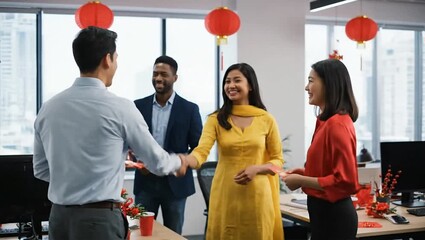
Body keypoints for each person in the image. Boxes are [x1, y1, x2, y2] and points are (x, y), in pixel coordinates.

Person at [33, 26, 188, 240]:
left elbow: (40, 169)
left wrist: (73, 180)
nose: (116, 64)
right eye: (116, 58)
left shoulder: (48, 108)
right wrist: (179, 162)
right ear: (107, 59)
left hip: (58, 219)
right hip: (99, 221)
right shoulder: (120, 108)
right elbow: (157, 162)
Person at [184, 63, 284, 240]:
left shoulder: (266, 119)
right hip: (226, 195)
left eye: (237, 80)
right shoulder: (216, 119)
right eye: (227, 81)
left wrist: (257, 169)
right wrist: (185, 161)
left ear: (250, 85)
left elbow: (278, 161)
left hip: (258, 197)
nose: (231, 85)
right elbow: (201, 151)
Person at [282, 59, 359, 240]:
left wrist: (302, 179)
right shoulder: (325, 122)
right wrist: (304, 173)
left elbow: (345, 181)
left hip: (334, 218)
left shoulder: (337, 125)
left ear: (329, 84)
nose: (306, 87)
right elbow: (328, 170)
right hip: (322, 215)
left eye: (311, 80)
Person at [132, 55, 203, 234]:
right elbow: (131, 142)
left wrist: (184, 163)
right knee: (141, 233)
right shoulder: (137, 106)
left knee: (173, 233)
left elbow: (198, 148)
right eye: (155, 74)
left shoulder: (189, 109)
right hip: (145, 182)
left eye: (164, 74)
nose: (158, 78)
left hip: (176, 184)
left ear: (175, 78)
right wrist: (139, 161)